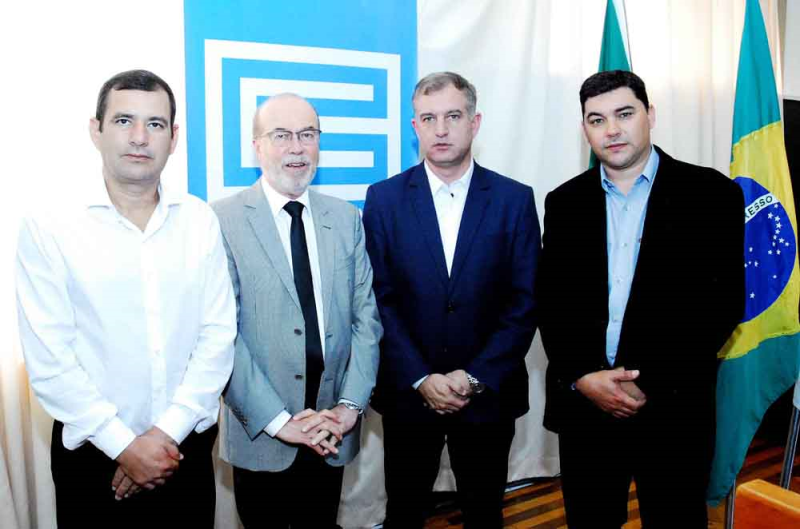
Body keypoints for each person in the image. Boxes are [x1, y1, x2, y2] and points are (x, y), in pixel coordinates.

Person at [15, 69, 237, 528]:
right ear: (95, 130)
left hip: (183, 450)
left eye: (155, 124)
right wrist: (125, 446)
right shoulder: (49, 225)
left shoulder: (199, 220)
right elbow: (50, 359)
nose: (139, 137)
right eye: (123, 121)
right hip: (92, 455)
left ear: (174, 138)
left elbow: (217, 337)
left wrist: (162, 437)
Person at [538, 70, 745, 529]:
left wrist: (645, 382)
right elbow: (551, 304)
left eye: (624, 114)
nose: (611, 130)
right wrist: (583, 377)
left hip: (673, 410)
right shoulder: (564, 202)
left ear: (650, 115)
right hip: (587, 408)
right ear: (584, 128)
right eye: (597, 119)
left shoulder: (712, 194)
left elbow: (722, 304)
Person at [362, 71, 540, 529]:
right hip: (409, 395)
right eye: (428, 118)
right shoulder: (383, 199)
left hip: (487, 397)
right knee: (404, 514)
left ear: (474, 123)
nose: (440, 129)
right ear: (415, 127)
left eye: (453, 116)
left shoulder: (514, 199)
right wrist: (421, 377)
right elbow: (379, 299)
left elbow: (524, 302)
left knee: (484, 515)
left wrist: (473, 377)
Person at [212, 93, 382, 529]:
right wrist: (278, 421)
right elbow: (221, 335)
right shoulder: (221, 220)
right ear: (257, 146)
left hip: (332, 429)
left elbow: (366, 320)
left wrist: (348, 408)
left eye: (307, 134)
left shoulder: (346, 218)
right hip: (262, 433)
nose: (296, 147)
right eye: (281, 135)